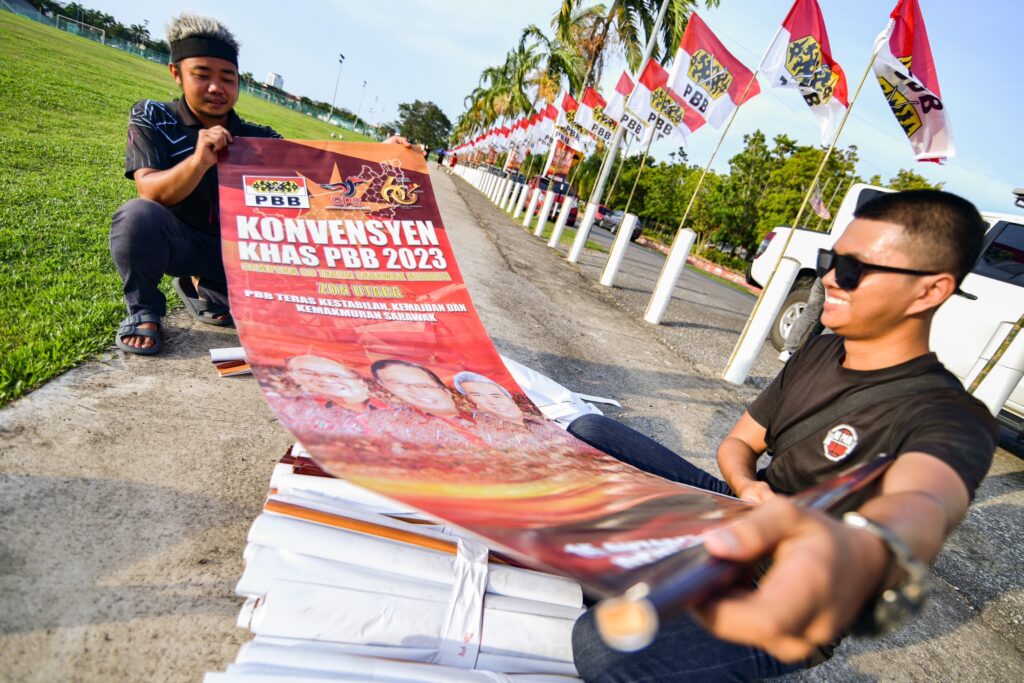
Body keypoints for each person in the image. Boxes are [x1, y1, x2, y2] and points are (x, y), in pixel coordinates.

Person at [568, 190, 997, 681]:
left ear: (929, 291)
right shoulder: (820, 351)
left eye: (854, 269)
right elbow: (739, 443)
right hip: (739, 509)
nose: (830, 278)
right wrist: (749, 489)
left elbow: (925, 503)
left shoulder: (950, 417)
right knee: (587, 432)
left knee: (604, 644)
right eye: (832, 260)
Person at [110, 14, 416, 355]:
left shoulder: (258, 138)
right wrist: (198, 161)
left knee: (289, 314)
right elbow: (150, 190)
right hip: (182, 241)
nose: (216, 87)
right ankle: (145, 311)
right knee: (137, 217)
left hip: (244, 252)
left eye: (227, 78)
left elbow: (319, 167)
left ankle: (208, 289)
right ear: (176, 73)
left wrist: (381, 154)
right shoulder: (154, 116)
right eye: (202, 75)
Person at [369, 359, 487, 450]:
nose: (415, 391)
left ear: (446, 391)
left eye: (424, 386)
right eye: (399, 384)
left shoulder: (486, 416)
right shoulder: (391, 424)